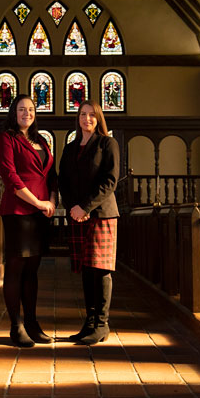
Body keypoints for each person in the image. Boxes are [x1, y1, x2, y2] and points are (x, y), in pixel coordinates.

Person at [0, 94, 57, 347]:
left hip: (41, 213)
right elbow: (10, 177)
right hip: (18, 211)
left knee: (33, 270)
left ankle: (32, 322)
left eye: (30, 109)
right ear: (13, 113)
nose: (26, 113)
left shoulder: (41, 140)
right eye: (21, 109)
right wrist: (39, 203)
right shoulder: (6, 139)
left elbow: (51, 174)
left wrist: (51, 200)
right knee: (16, 269)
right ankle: (15, 325)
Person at [58, 99, 120, 345]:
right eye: (83, 114)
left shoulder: (108, 143)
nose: (87, 119)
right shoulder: (70, 148)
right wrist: (73, 207)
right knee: (86, 269)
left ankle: (102, 324)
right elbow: (63, 180)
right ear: (78, 118)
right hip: (77, 214)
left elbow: (110, 180)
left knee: (101, 269)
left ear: (99, 118)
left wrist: (85, 207)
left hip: (101, 213)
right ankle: (89, 321)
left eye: (92, 115)